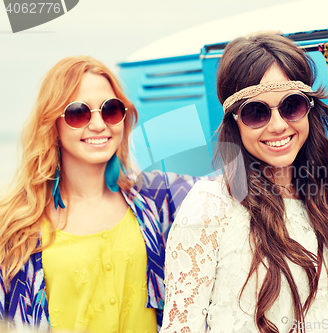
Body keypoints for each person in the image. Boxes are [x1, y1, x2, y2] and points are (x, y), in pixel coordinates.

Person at [161, 33, 328, 333]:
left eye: (291, 106)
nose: (278, 125)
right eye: (257, 112)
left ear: (309, 109)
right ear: (234, 122)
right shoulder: (211, 204)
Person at [0, 56, 201, 332]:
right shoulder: (14, 224)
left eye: (111, 110)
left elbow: (238, 187)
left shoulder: (158, 199)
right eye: (78, 113)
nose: (98, 125)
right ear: (52, 124)